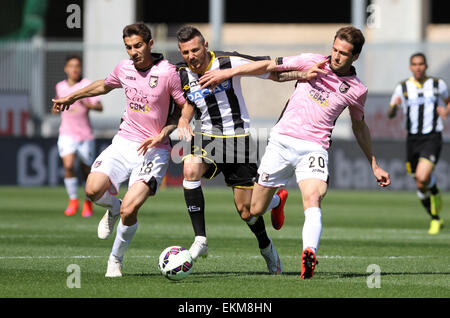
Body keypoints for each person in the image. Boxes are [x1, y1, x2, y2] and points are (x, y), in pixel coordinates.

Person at [199, 26, 391, 279]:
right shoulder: (310, 61)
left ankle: (309, 253)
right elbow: (267, 66)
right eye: (334, 49)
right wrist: (229, 72)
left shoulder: (357, 90)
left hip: (314, 147)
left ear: (355, 57)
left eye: (343, 53)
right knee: (253, 210)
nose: (336, 56)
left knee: (313, 197)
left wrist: (374, 164)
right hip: (281, 142)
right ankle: (278, 201)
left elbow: (359, 125)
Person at [52, 22, 188, 277]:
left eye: (138, 46)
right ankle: (112, 207)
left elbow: (184, 106)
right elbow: (104, 85)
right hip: (124, 142)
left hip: (154, 149)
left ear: (150, 44)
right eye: (128, 47)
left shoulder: (168, 72)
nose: (133, 52)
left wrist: (167, 130)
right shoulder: (124, 68)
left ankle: (115, 259)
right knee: (92, 190)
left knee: (130, 209)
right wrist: (73, 96)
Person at [175, 26, 288, 274]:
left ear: (205, 45)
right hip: (208, 136)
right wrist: (183, 119)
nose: (191, 56)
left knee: (247, 212)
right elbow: (188, 103)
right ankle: (200, 239)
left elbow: (268, 66)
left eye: (195, 49)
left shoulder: (227, 60)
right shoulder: (181, 73)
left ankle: (268, 239)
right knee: (190, 167)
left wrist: (302, 74)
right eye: (185, 52)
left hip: (238, 140)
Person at [388, 52, 450, 235]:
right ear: (410, 67)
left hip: (432, 136)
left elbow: (448, 101)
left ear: (426, 66)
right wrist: (394, 107)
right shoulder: (403, 87)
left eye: (421, 64)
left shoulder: (438, 85)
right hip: (412, 139)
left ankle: (435, 205)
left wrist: (446, 111)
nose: (418, 67)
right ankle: (436, 218)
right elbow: (390, 113)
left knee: (422, 177)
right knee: (420, 185)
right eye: (414, 64)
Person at [52, 54, 103, 218]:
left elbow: (99, 107)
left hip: (84, 134)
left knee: (86, 169)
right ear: (66, 68)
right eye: (71, 66)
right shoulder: (60, 86)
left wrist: (87, 104)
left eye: (77, 66)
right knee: (68, 165)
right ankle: (73, 200)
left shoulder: (86, 85)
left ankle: (88, 202)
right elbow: (56, 108)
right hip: (66, 132)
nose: (75, 69)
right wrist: (55, 109)